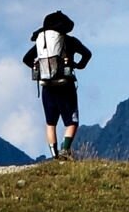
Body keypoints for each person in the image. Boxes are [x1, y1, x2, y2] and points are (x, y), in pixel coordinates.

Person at [22, 11, 92, 161]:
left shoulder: (41, 44)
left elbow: (26, 59)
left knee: (50, 122)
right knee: (72, 121)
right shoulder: (69, 41)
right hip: (65, 85)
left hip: (46, 85)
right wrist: (78, 65)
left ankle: (55, 156)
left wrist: (40, 69)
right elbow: (87, 54)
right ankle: (65, 151)